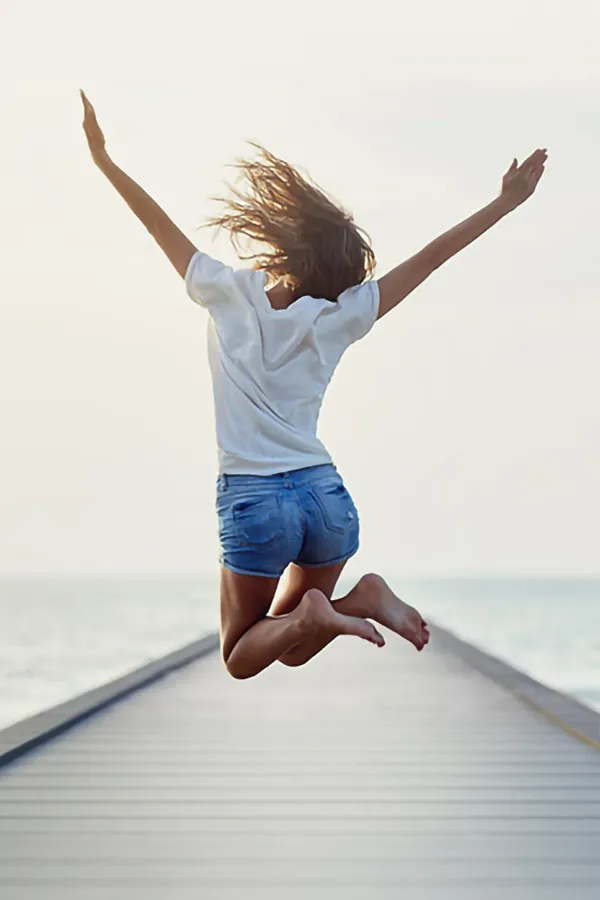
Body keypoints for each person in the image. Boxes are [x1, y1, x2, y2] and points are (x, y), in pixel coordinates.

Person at [80, 90, 547, 680]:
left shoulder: (226, 291)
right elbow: (429, 259)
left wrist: (105, 162)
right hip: (325, 498)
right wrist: (503, 204)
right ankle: (359, 600)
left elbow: (157, 225)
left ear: (288, 246)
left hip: (255, 499)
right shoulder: (338, 318)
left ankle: (330, 612)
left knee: (241, 655)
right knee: (294, 641)